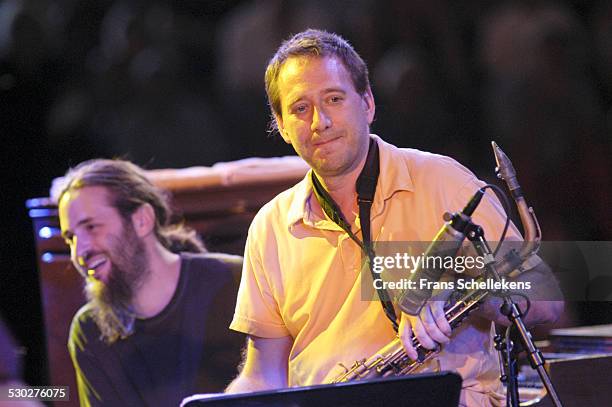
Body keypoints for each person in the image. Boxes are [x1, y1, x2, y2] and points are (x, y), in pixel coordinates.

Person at [226, 29, 563, 406]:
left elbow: (547, 298)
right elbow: (263, 374)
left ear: (367, 103)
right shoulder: (269, 226)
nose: (319, 121)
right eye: (300, 108)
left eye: (334, 99)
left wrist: (463, 296)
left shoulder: (442, 180)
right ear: (283, 126)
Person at [56, 159, 244, 407]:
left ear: (142, 220)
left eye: (91, 227)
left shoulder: (233, 280)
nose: (80, 252)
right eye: (71, 238)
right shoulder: (89, 330)